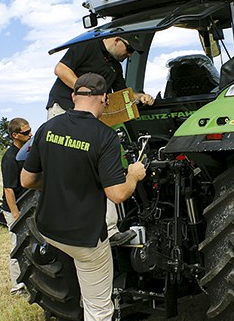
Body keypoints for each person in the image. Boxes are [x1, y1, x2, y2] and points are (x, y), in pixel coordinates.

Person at [22, 73, 147, 321]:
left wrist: (61, 187)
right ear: (104, 99)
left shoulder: (47, 129)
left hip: (50, 229)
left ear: (75, 96)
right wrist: (133, 175)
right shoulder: (105, 136)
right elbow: (118, 194)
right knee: (98, 309)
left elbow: (26, 180)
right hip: (85, 239)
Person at [46, 35, 154, 246]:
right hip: (63, 110)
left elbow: (123, 94)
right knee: (63, 168)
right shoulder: (87, 46)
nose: (129, 55)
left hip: (89, 119)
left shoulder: (115, 67)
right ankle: (57, 224)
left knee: (99, 166)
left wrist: (140, 96)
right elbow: (60, 69)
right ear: (116, 40)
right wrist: (88, 93)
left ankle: (109, 231)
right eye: (129, 49)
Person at [1, 117, 32, 295]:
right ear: (15, 135)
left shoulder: (28, 152)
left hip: (27, 205)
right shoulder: (10, 158)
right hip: (15, 207)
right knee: (17, 245)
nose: (30, 134)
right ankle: (17, 287)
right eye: (26, 133)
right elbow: (9, 190)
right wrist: (15, 215)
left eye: (30, 130)